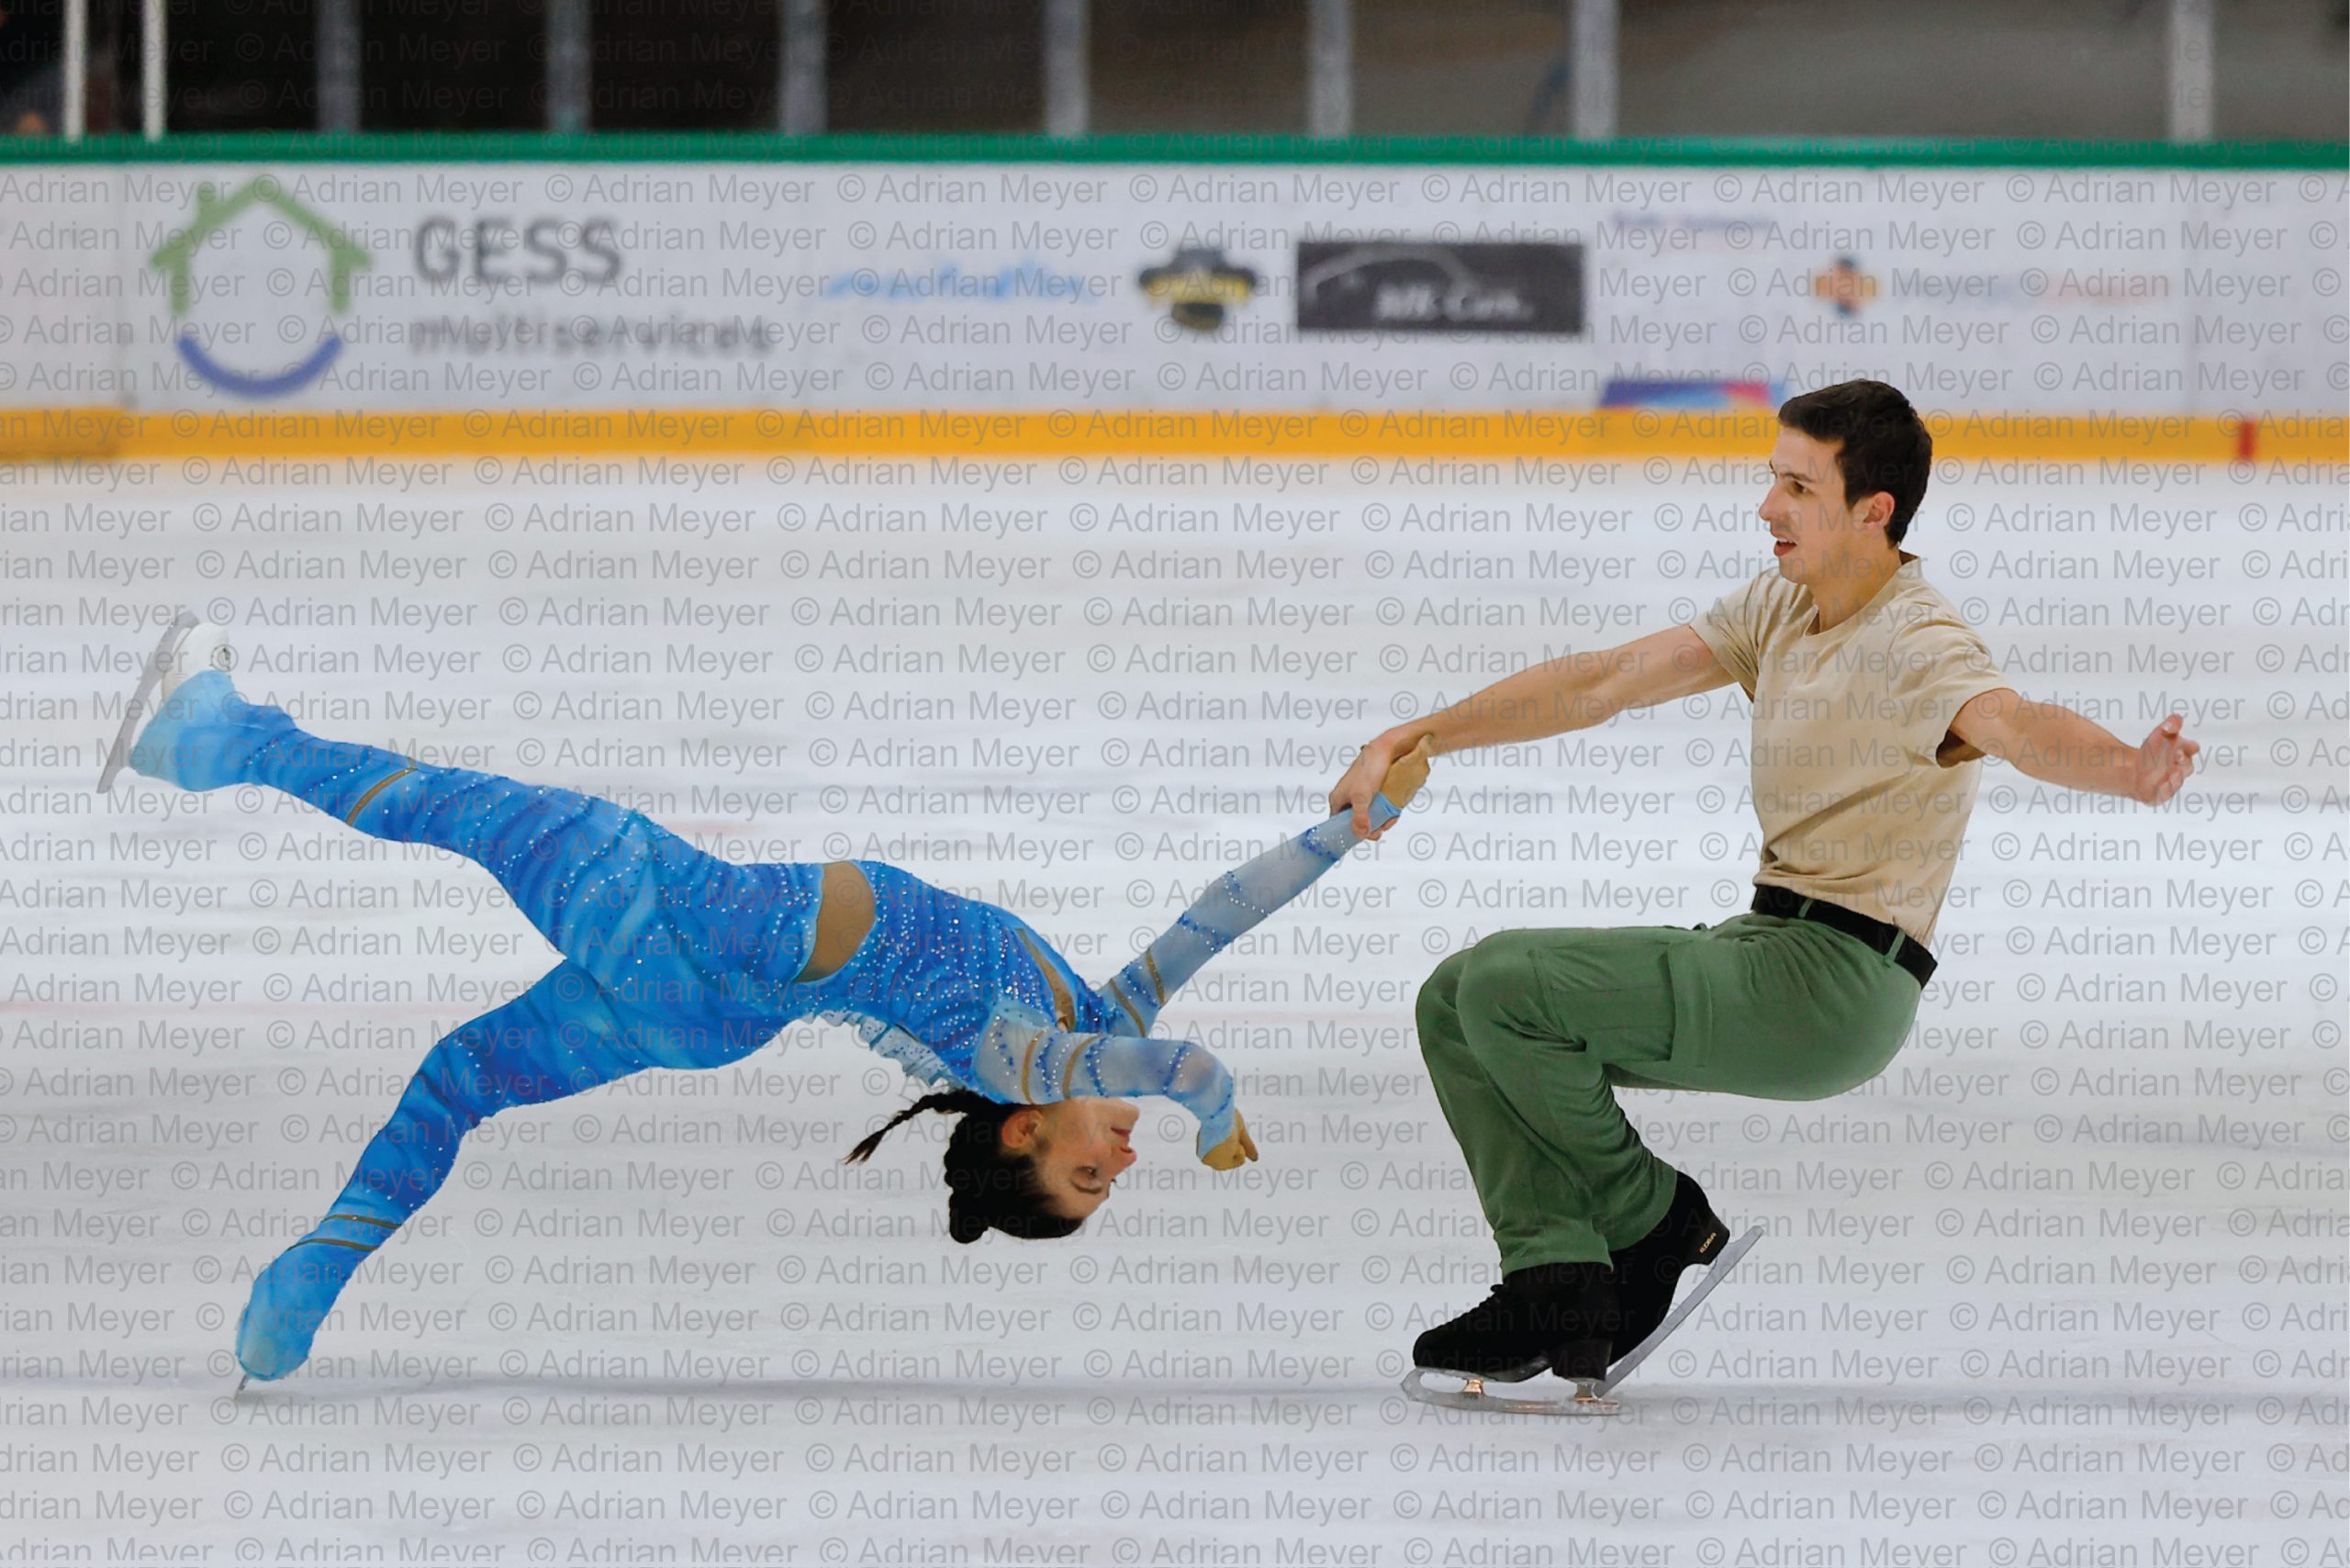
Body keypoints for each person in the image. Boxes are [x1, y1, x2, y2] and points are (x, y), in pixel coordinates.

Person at [102, 613, 1434, 1384]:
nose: (1118, 1161)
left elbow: (1187, 1065)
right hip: (709, 1018)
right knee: (460, 1080)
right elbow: (1215, 919)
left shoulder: (1036, 1059)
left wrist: (1217, 1117)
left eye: (1091, 1179)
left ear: (1030, 1136)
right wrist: (1345, 830)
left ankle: (218, 737)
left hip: (678, 917)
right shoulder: (1088, 1010)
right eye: (1117, 1175)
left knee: (451, 807)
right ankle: (300, 1290)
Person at [1327, 379, 2200, 1395]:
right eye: (1770, 478)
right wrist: (1419, 732)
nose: (1766, 507)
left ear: (1872, 512)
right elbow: (1608, 679)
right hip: (1764, 943)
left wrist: (2128, 769)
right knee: (1451, 1001)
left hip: (1832, 987)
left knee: (1506, 984)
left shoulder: (1918, 642)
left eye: (1796, 486)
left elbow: (2013, 723)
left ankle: (1652, 1219)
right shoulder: (1783, 605)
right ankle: (1554, 1276)